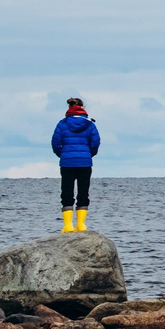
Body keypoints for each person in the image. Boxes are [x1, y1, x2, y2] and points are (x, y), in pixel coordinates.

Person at [51, 96, 101, 232]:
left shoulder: (62, 123)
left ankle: (68, 226)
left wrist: (63, 154)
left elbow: (55, 143)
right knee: (83, 192)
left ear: (69, 108)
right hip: (85, 162)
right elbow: (95, 143)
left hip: (67, 162)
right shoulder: (90, 124)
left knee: (67, 192)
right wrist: (88, 154)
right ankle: (81, 224)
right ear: (82, 108)